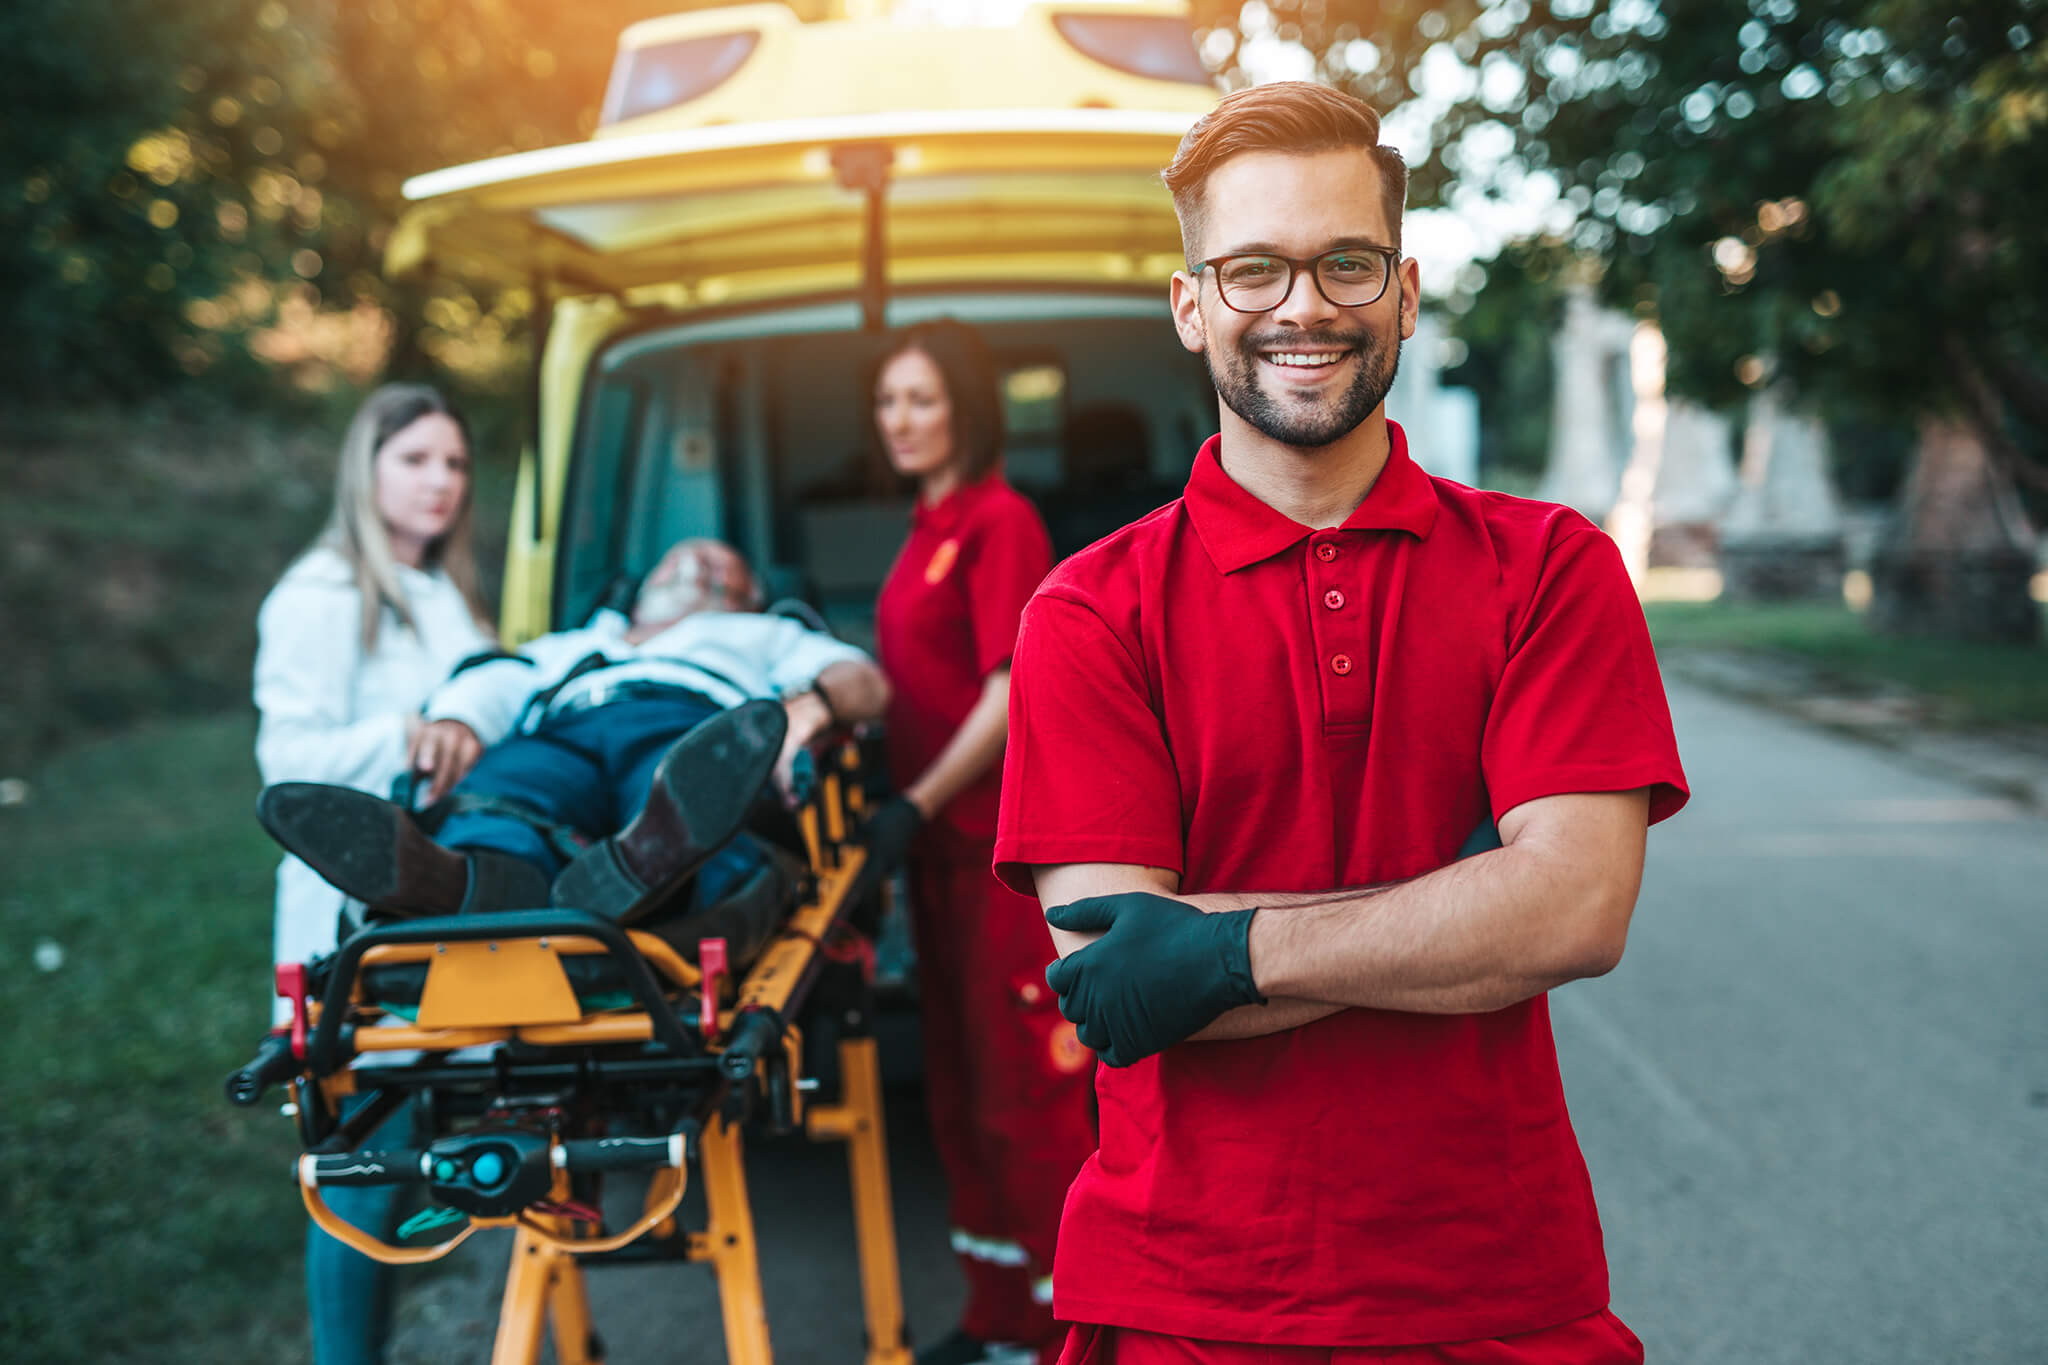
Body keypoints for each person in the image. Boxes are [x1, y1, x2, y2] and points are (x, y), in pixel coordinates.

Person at [994, 83, 1690, 1365]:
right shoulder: (1085, 612)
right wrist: (1467, 900)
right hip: (1181, 1298)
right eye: (1252, 268)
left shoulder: (1548, 568)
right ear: (1191, 303)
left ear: (1405, 292)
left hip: (1497, 1285)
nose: (1302, 307)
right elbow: (1114, 980)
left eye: (1345, 264)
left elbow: (1574, 916)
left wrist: (1220, 949)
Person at [258, 537, 890, 945]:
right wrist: (458, 720)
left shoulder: (763, 635)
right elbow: (501, 680)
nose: (695, 563)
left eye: (719, 568)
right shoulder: (581, 642)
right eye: (675, 560)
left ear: (749, 598)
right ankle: (454, 879)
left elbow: (863, 682)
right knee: (502, 795)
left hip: (691, 724)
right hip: (564, 727)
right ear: (642, 592)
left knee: (684, 792)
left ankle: (642, 869)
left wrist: (813, 706)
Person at [863, 319, 1094, 1365]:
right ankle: (998, 1316)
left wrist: (911, 799)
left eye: (919, 397)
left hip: (998, 854)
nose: (900, 420)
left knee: (1027, 1095)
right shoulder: (925, 527)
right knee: (958, 1089)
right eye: (886, 402)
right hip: (936, 856)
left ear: (964, 401)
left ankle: (1071, 1333)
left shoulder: (1000, 522)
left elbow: (1008, 693)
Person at [252, 382, 498, 1365]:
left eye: (455, 465)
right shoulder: (319, 596)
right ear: (368, 468)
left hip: (437, 915)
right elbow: (287, 769)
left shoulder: (440, 592)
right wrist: (411, 736)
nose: (440, 482)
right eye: (416, 461)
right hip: (347, 929)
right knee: (360, 1175)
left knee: (431, 1158)